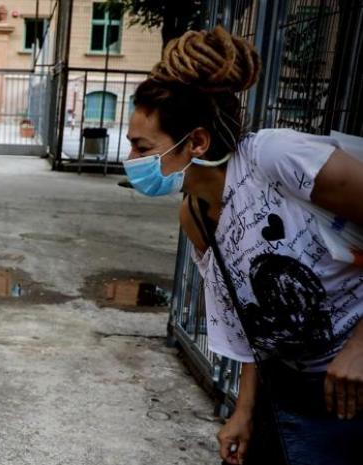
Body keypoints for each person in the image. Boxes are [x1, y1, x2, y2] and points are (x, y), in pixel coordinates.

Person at [123, 26, 363, 465]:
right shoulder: (195, 216)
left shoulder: (275, 157)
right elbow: (254, 322)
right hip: (288, 390)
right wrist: (245, 409)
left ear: (196, 141)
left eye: (143, 147)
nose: (133, 161)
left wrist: (360, 346)